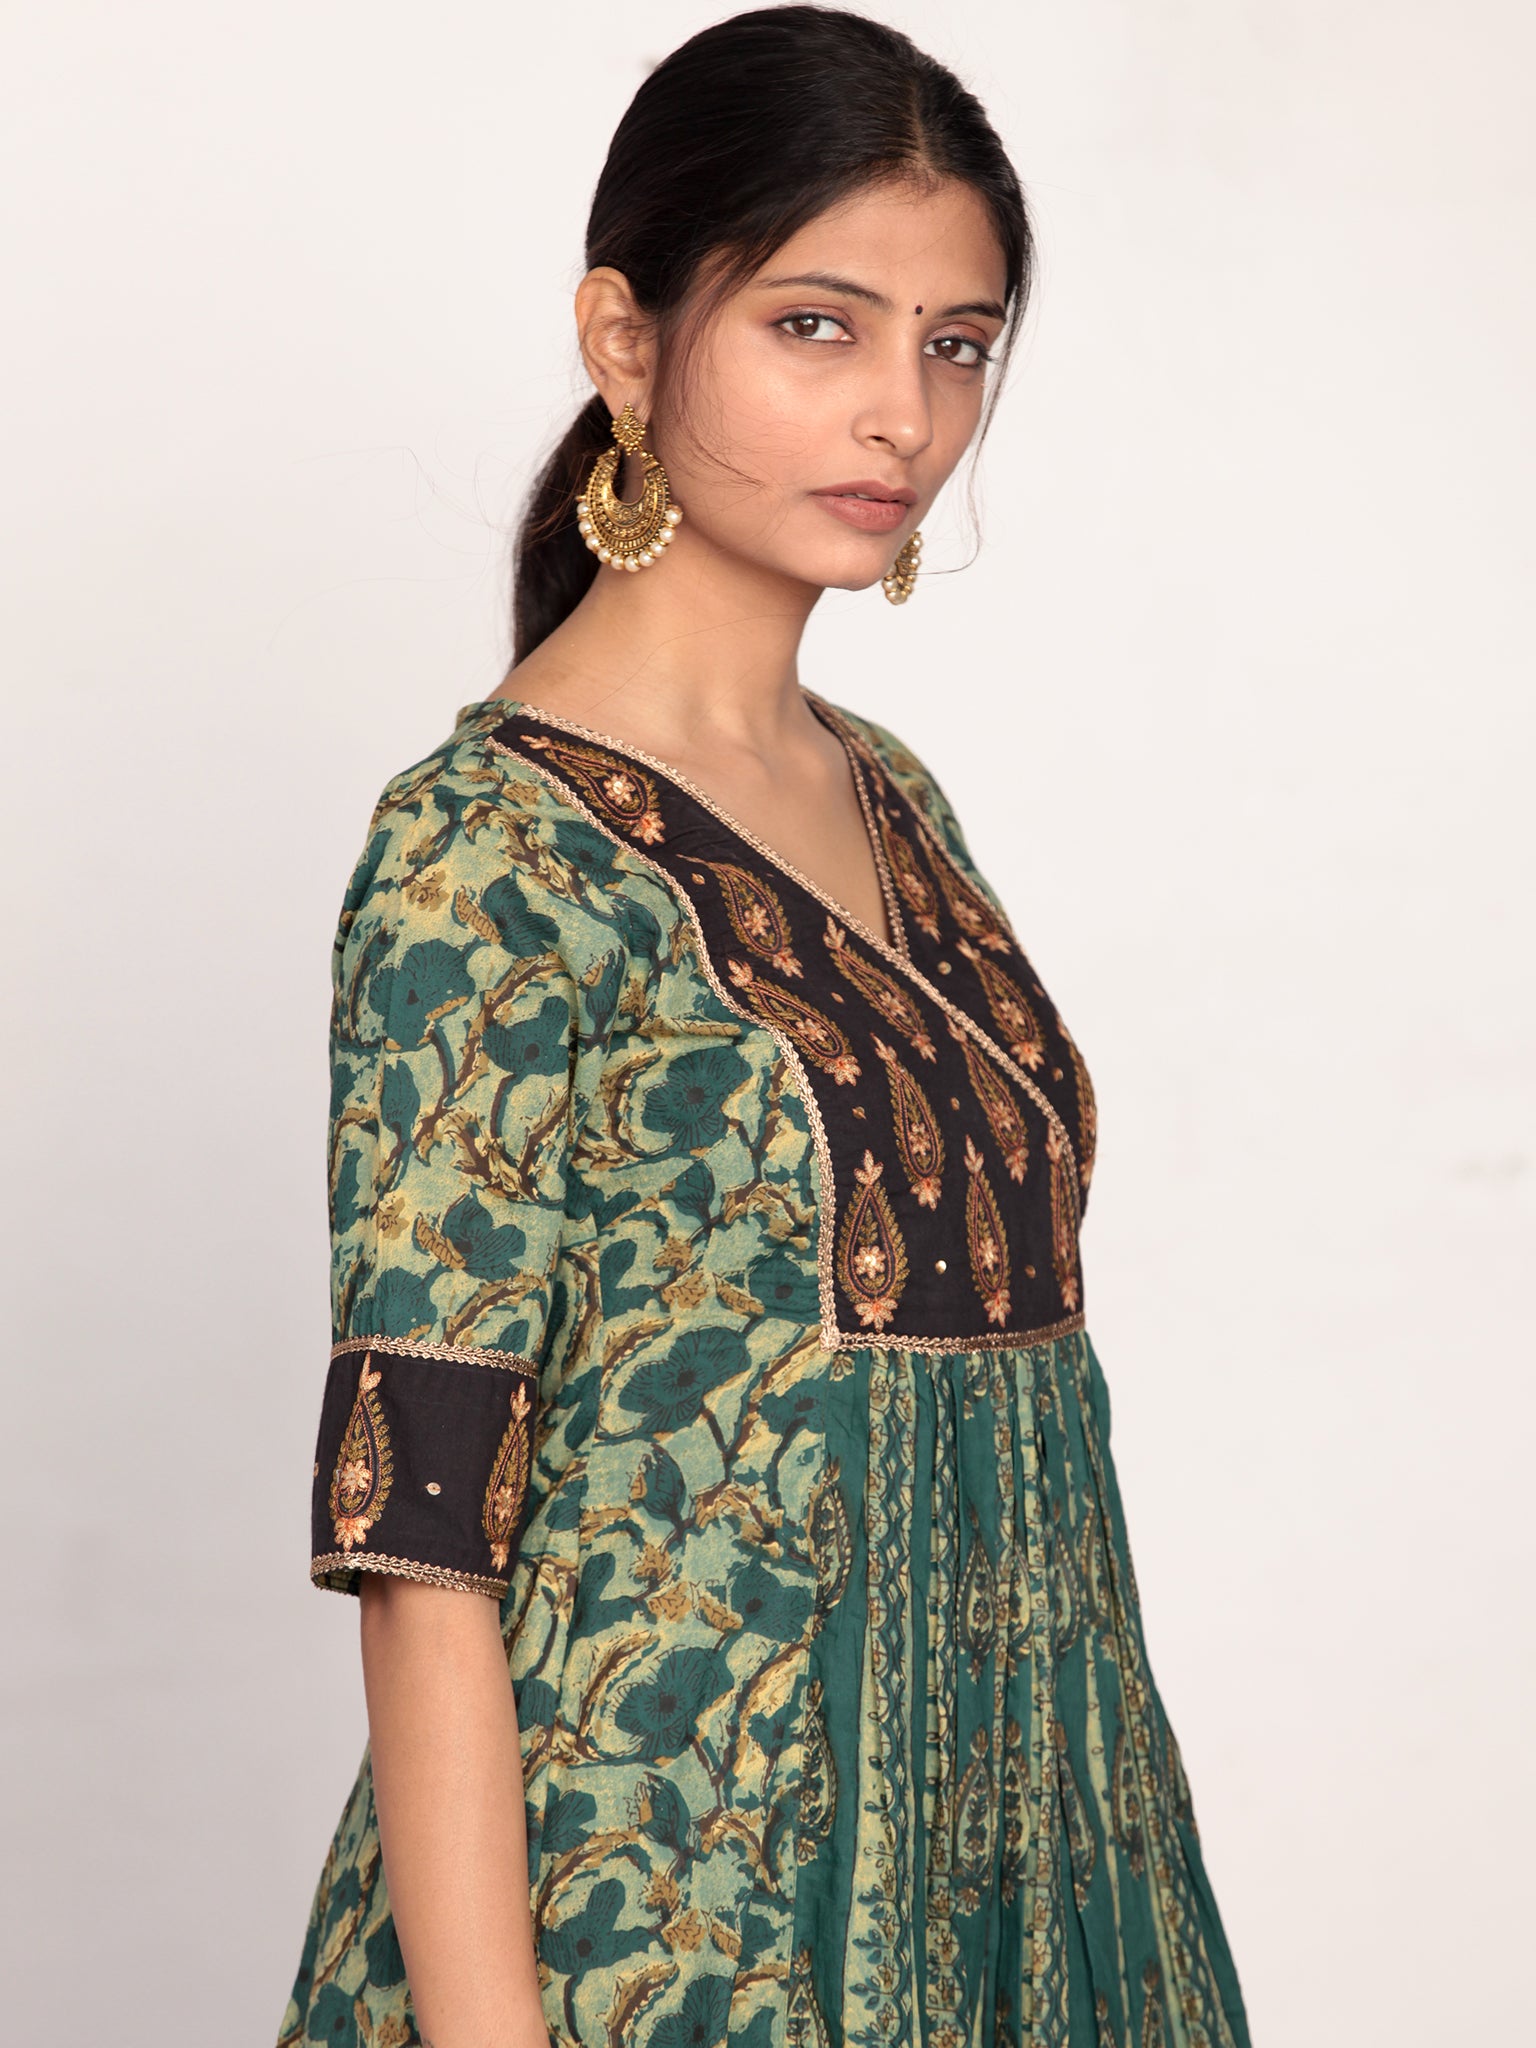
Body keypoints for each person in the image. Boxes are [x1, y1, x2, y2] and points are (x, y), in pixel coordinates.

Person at [277, 9, 1253, 2046]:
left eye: (958, 344)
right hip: (669, 1934)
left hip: (1033, 1893)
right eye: (819, 325)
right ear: (624, 340)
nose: (903, 412)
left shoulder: (892, 796)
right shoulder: (485, 855)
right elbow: (425, 1542)